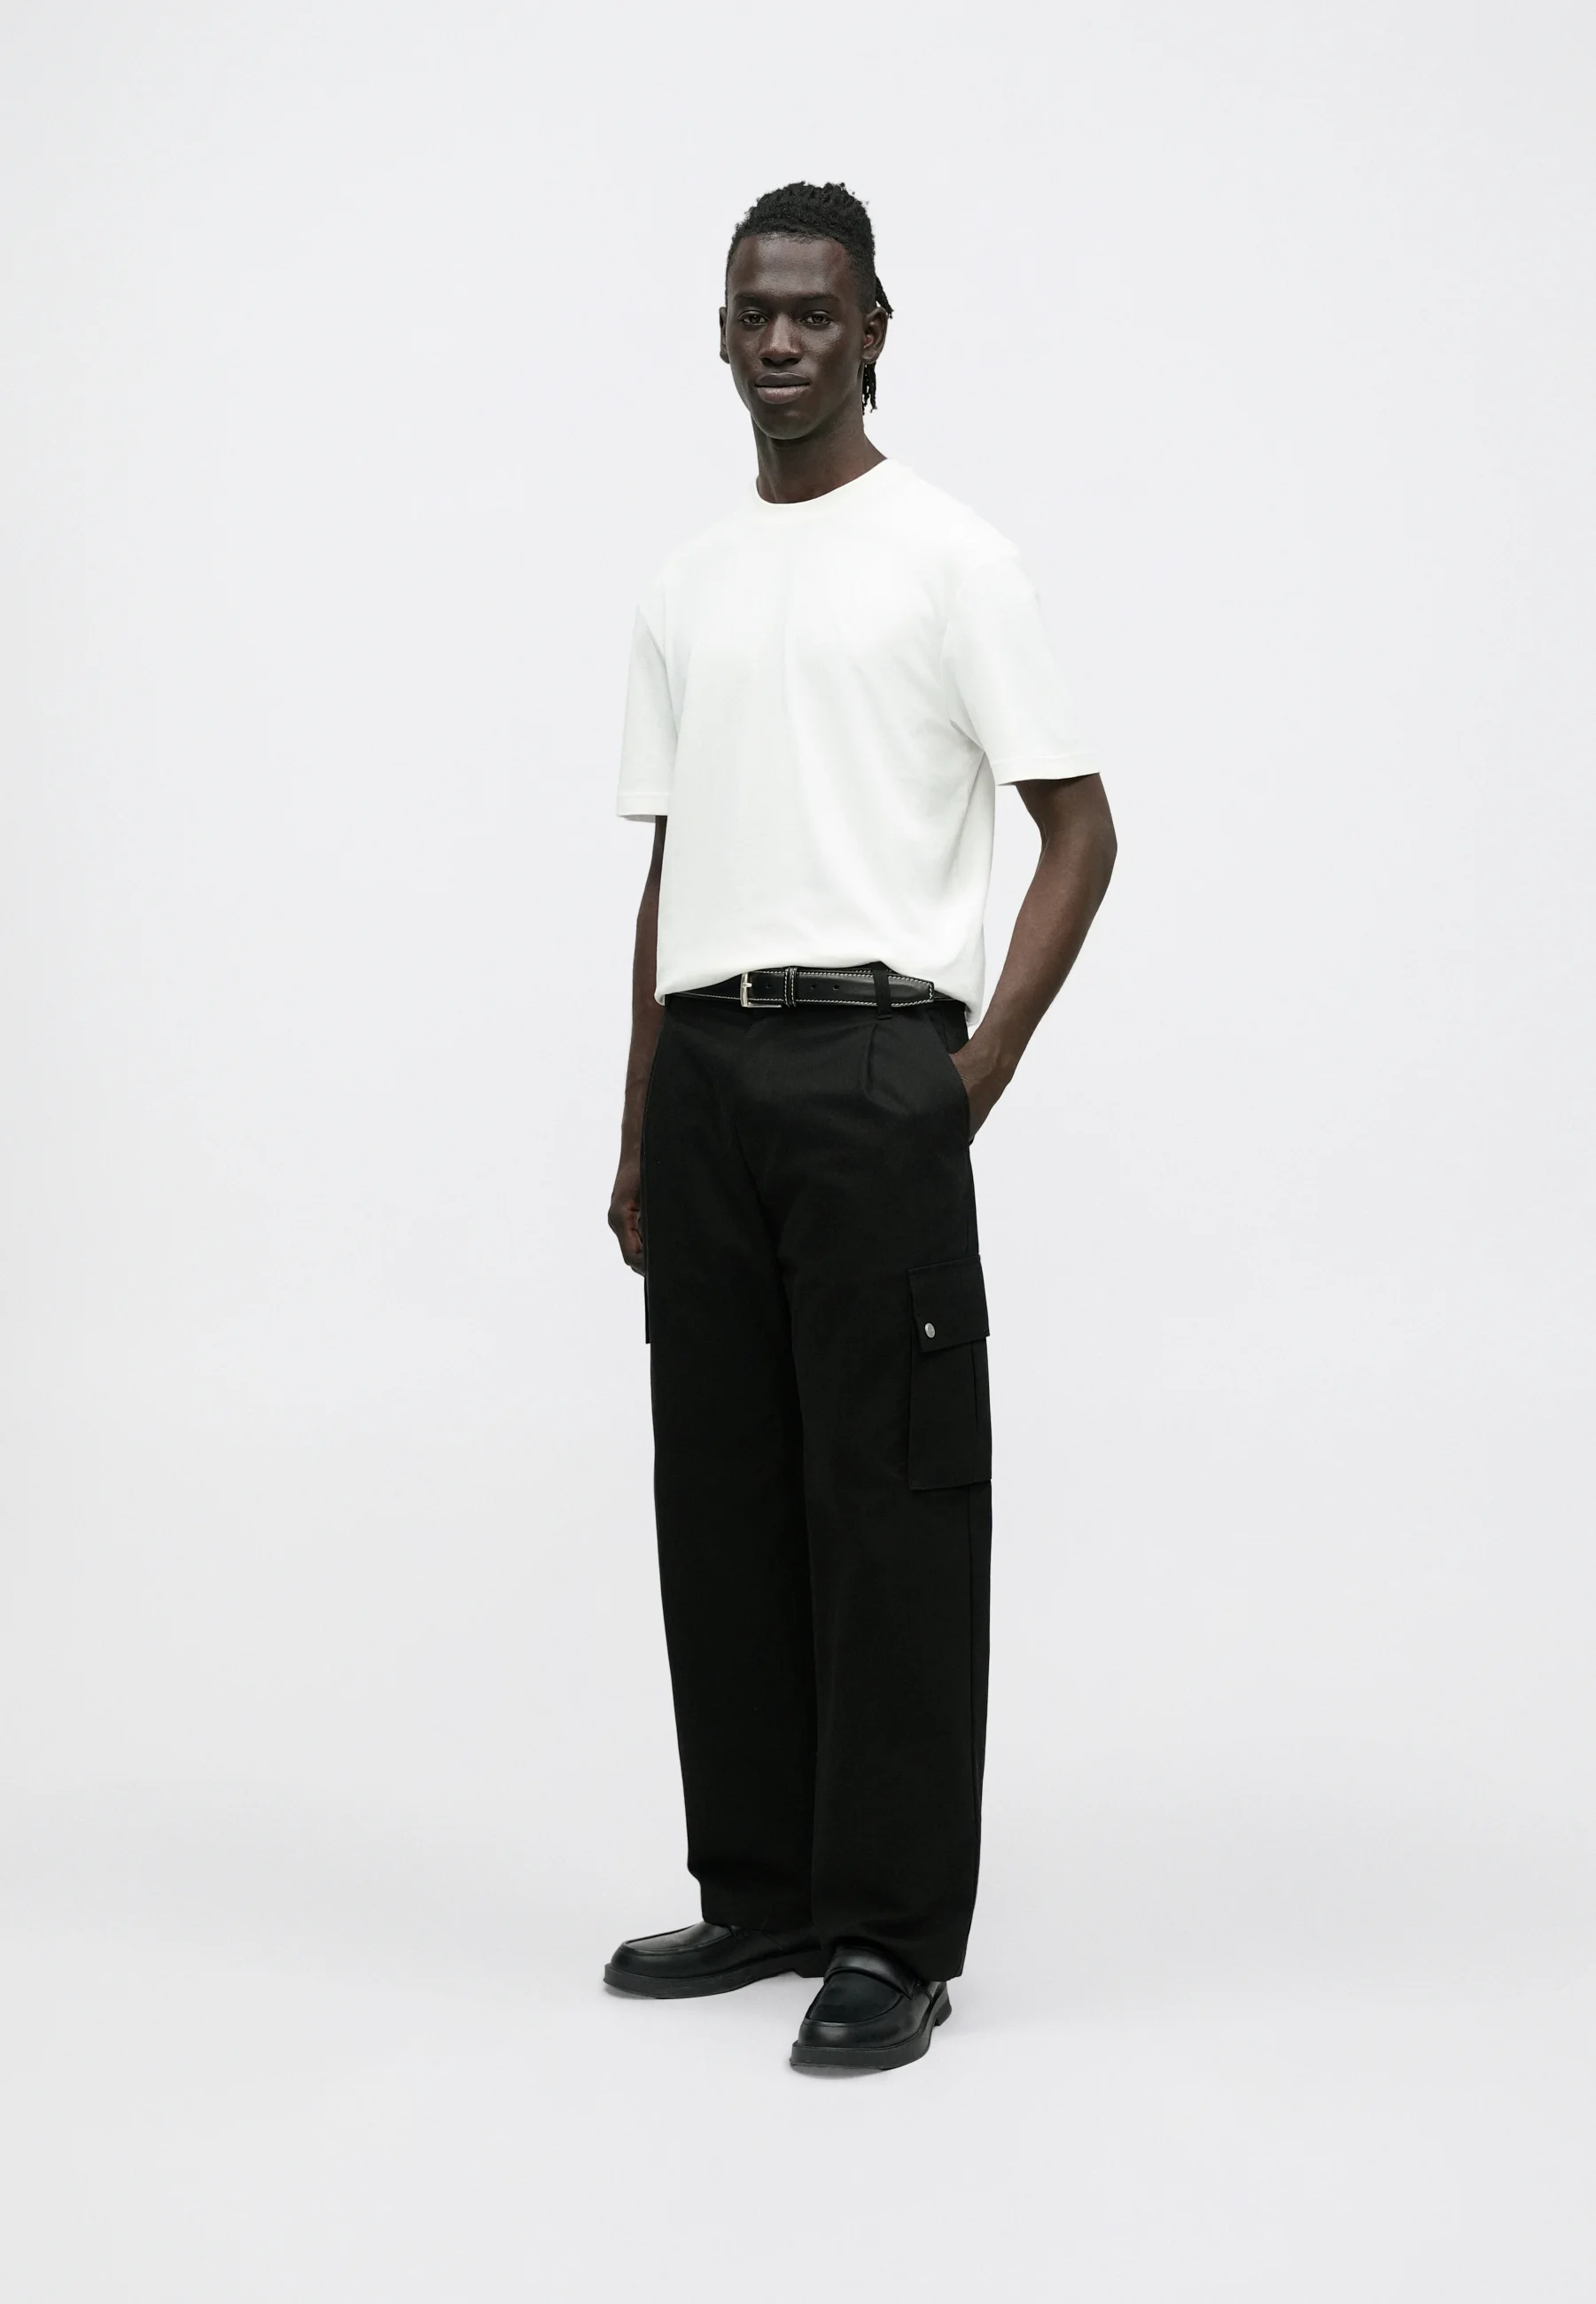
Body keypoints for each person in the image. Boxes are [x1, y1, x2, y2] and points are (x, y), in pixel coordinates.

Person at [603, 181, 1116, 2074]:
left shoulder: (952, 560)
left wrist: (970, 1075)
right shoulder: (686, 583)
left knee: (889, 1504)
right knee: (723, 1496)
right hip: (710, 1074)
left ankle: (893, 1935)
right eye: (755, 311)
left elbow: (1083, 829)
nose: (782, 341)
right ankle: (763, 1888)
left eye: (816, 311)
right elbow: (669, 868)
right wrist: (639, 1127)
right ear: (722, 333)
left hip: (877, 1065)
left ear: (876, 329)